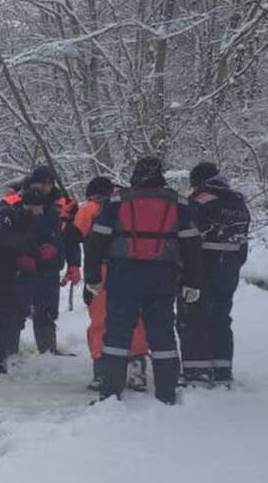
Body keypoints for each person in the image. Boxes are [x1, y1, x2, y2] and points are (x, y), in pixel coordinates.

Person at [84, 157, 203, 404]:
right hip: (162, 277)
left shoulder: (117, 202)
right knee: (162, 337)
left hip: (123, 275)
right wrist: (193, 281)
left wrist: (93, 276)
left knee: (116, 336)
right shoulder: (177, 204)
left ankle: (110, 394)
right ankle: (167, 395)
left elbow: (96, 242)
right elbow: (192, 246)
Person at [179, 162, 252, 387]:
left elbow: (188, 235)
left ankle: (196, 371)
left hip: (203, 266)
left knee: (193, 317)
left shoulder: (199, 200)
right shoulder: (238, 201)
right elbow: (243, 237)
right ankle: (222, 370)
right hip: (229, 268)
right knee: (221, 316)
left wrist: (183, 268)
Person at [74, 176, 149, 392]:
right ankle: (137, 368)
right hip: (134, 268)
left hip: (102, 270)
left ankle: (102, 370)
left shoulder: (90, 209)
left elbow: (72, 235)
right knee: (135, 318)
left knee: (101, 319)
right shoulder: (131, 206)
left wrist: (68, 215)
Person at [0, 185, 55, 380]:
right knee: (6, 315)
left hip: (8, 276)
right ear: (30, 206)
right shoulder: (4, 216)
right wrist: (35, 252)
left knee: (13, 315)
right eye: (38, 209)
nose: (40, 213)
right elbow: (6, 240)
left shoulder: (25, 220)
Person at [3, 166, 69, 355]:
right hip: (23, 267)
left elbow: (68, 235)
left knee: (47, 312)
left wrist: (73, 263)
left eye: (49, 183)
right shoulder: (14, 201)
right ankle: (9, 353)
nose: (45, 187)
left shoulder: (60, 203)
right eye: (41, 183)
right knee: (16, 312)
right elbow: (5, 232)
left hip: (50, 266)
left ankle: (48, 352)